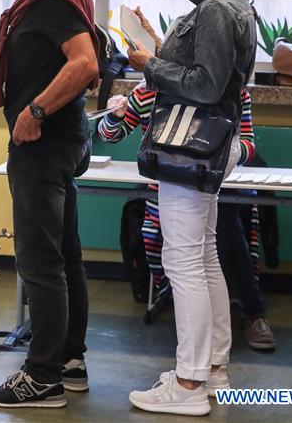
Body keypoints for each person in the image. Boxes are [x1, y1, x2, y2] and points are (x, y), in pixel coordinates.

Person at [124, 0, 257, 416]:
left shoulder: (217, 11)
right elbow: (205, 70)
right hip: (206, 144)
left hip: (192, 145)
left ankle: (187, 384)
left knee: (183, 263)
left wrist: (148, 64)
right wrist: (158, 46)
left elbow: (203, 85)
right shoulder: (228, 4)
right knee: (202, 258)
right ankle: (211, 369)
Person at [0, 0, 99, 409]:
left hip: (45, 142)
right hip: (62, 140)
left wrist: (36, 112)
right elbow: (52, 56)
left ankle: (42, 376)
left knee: (40, 262)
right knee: (64, 255)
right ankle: (69, 360)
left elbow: (85, 63)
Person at [99, 76, 277, 351]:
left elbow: (249, 145)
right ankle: (208, 338)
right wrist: (115, 114)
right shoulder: (148, 91)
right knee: (189, 258)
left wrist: (222, 154)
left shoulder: (230, 91)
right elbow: (110, 134)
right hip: (167, 185)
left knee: (219, 249)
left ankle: (246, 318)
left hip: (215, 183)